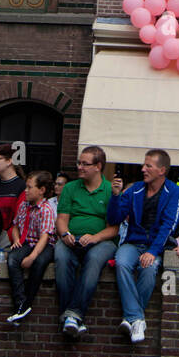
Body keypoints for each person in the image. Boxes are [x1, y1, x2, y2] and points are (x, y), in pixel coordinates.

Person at [109, 149, 179, 343]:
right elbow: (114, 218)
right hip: (133, 242)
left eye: (148, 166)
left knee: (149, 268)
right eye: (144, 165)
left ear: (162, 170)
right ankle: (137, 318)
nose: (143, 169)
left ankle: (131, 317)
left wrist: (153, 251)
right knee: (121, 262)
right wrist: (115, 196)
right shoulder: (135, 190)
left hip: (156, 245)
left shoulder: (174, 191)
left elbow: (169, 225)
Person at [55, 145, 118, 338]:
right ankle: (73, 317)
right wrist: (65, 234)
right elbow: (62, 219)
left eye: (85, 164)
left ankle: (72, 314)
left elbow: (113, 228)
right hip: (72, 240)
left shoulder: (109, 190)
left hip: (101, 241)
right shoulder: (71, 188)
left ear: (98, 166)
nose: (80, 167)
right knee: (60, 256)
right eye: (79, 163)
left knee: (93, 260)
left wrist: (95, 237)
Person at [6, 171, 57, 324]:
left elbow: (45, 237)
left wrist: (31, 257)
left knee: (39, 263)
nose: (25, 191)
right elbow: (15, 225)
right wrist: (16, 239)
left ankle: (27, 302)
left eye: (29, 187)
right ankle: (20, 301)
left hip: (45, 245)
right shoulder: (23, 205)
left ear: (41, 190)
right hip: (27, 241)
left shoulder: (46, 209)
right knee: (12, 259)